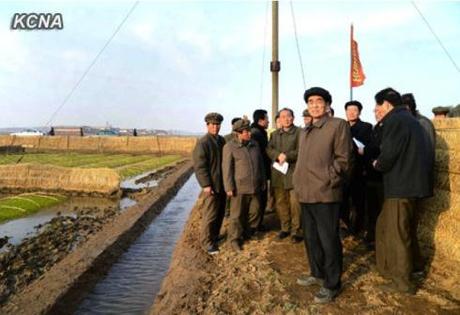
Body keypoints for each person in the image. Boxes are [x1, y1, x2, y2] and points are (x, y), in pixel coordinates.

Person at [293, 87, 353, 304]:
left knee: (329, 240)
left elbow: (344, 160)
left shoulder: (337, 125)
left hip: (326, 193)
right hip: (305, 193)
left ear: (327, 105)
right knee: (311, 238)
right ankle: (317, 273)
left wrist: (329, 180)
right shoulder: (305, 130)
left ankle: (332, 283)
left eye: (319, 101)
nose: (315, 105)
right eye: (311, 101)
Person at [372, 87, 432, 294]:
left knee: (395, 233)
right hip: (414, 185)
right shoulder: (414, 121)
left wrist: (377, 163)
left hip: (400, 186)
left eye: (377, 106)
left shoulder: (394, 121)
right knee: (404, 229)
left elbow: (389, 154)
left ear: (387, 105)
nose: (376, 110)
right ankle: (415, 266)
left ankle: (401, 281)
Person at [222, 118, 266, 252]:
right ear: (238, 133)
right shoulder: (229, 147)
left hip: (255, 186)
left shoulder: (254, 144)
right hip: (239, 188)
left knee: (255, 211)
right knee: (237, 216)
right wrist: (229, 187)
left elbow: (260, 165)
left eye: (249, 131)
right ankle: (234, 239)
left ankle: (247, 233)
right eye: (245, 132)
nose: (249, 133)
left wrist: (263, 180)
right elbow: (227, 169)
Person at [192, 113, 227, 255]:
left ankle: (215, 236)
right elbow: (200, 166)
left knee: (220, 213)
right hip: (211, 186)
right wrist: (206, 185)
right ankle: (207, 243)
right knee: (210, 215)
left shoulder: (221, 140)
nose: (215, 127)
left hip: (222, 184)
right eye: (212, 124)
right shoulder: (203, 143)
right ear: (207, 125)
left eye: (217, 124)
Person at [267, 108, 302, 243]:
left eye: (289, 116)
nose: (286, 119)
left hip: (294, 172)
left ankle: (296, 231)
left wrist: (287, 156)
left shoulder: (300, 133)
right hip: (278, 173)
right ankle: (285, 228)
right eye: (283, 117)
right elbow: (268, 149)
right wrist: (277, 156)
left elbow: (301, 151)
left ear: (293, 118)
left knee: (295, 203)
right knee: (281, 202)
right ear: (279, 119)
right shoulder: (275, 134)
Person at [341, 100, 373, 236]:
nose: (351, 113)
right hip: (343, 170)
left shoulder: (366, 127)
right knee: (343, 200)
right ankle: (344, 226)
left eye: (354, 110)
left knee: (358, 201)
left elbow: (365, 146)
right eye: (348, 110)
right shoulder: (342, 126)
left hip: (359, 169)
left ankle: (356, 228)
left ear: (359, 112)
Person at [250, 109, 271, 231]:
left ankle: (258, 224)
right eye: (267, 119)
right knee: (258, 201)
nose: (268, 121)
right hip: (259, 173)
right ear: (261, 120)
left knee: (261, 200)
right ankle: (254, 226)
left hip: (262, 171)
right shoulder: (256, 134)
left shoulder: (260, 132)